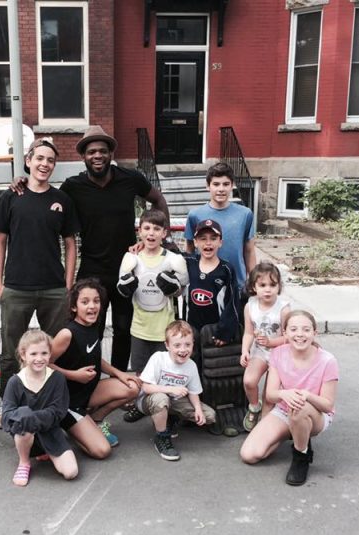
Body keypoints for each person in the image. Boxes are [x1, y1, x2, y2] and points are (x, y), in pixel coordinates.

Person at [61, 126, 172, 372]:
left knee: (123, 328)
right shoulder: (73, 186)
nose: (97, 155)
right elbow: (47, 200)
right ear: (83, 157)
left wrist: (157, 235)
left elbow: (158, 199)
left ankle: (119, 377)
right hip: (92, 269)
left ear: (111, 153)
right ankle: (89, 378)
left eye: (102, 150)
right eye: (91, 152)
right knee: (90, 328)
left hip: (127, 267)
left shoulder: (129, 179)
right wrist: (24, 179)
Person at [0, 138, 80, 428]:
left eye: (50, 160)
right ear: (28, 161)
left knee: (54, 350)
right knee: (10, 350)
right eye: (39, 158)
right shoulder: (11, 197)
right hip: (16, 287)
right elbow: (0, 240)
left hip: (53, 288)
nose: (44, 164)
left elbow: (70, 243)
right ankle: (7, 404)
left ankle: (55, 402)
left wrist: (68, 284)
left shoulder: (62, 200)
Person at [239, 310, 339, 486]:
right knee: (250, 455)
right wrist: (283, 393)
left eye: (306, 329)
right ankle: (295, 431)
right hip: (284, 410)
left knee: (299, 407)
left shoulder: (328, 360)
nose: (300, 334)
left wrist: (307, 396)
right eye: (293, 329)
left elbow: (327, 405)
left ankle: (301, 456)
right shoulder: (278, 353)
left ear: (315, 333)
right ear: (285, 333)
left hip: (315, 414)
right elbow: (270, 394)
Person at [51, 278, 141, 455]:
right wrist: (73, 375)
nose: (92, 306)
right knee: (102, 451)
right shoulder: (67, 334)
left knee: (132, 386)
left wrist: (119, 373)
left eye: (96, 301)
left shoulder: (93, 326)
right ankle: (71, 427)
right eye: (85, 302)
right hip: (69, 401)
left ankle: (95, 419)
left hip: (89, 392)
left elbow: (94, 357)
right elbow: (43, 365)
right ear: (74, 307)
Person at [1, 330, 78, 487]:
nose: (39, 358)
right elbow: (6, 416)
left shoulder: (57, 378)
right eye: (33, 353)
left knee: (71, 472)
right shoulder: (15, 382)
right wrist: (25, 418)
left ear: (50, 355)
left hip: (50, 430)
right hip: (25, 433)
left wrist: (32, 418)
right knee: (23, 419)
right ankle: (24, 462)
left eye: (44, 353)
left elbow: (59, 411)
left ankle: (46, 451)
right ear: (23, 355)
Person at [117, 208, 188, 375]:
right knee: (140, 373)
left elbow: (182, 290)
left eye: (157, 229)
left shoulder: (173, 260)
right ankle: (143, 401)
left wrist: (175, 288)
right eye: (147, 228)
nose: (151, 233)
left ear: (164, 233)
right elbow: (122, 290)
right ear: (139, 230)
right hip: (139, 328)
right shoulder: (131, 258)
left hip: (164, 329)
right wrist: (126, 286)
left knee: (165, 373)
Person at [137, 320, 217, 461]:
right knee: (161, 399)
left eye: (188, 344)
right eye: (177, 345)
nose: (183, 349)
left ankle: (170, 419)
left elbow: (193, 392)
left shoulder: (191, 366)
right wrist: (171, 389)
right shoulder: (158, 358)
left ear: (193, 344)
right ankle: (162, 437)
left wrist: (198, 409)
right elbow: (146, 387)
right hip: (149, 401)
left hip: (174, 402)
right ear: (167, 345)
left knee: (209, 416)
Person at [185, 162, 256, 295]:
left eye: (226, 184)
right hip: (204, 284)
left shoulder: (245, 214)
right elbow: (189, 250)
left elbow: (249, 250)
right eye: (216, 184)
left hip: (236, 284)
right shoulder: (195, 215)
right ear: (208, 186)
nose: (221, 189)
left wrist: (253, 281)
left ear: (232, 185)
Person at [240, 262, 290, 432]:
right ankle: (254, 406)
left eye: (272, 285)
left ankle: (264, 428)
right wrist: (245, 350)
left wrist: (271, 343)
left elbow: (289, 338)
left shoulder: (283, 309)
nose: (267, 289)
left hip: (279, 355)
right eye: (262, 285)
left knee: (270, 395)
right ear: (254, 287)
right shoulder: (250, 306)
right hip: (260, 352)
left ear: (279, 286)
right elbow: (248, 332)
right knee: (249, 381)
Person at [184, 218, 241, 367]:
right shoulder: (189, 262)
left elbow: (233, 302)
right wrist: (142, 245)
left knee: (212, 367)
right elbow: (164, 252)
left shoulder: (226, 269)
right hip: (192, 327)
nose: (208, 243)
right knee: (193, 364)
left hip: (214, 328)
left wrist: (225, 331)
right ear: (195, 242)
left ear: (220, 242)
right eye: (203, 239)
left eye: (213, 238)